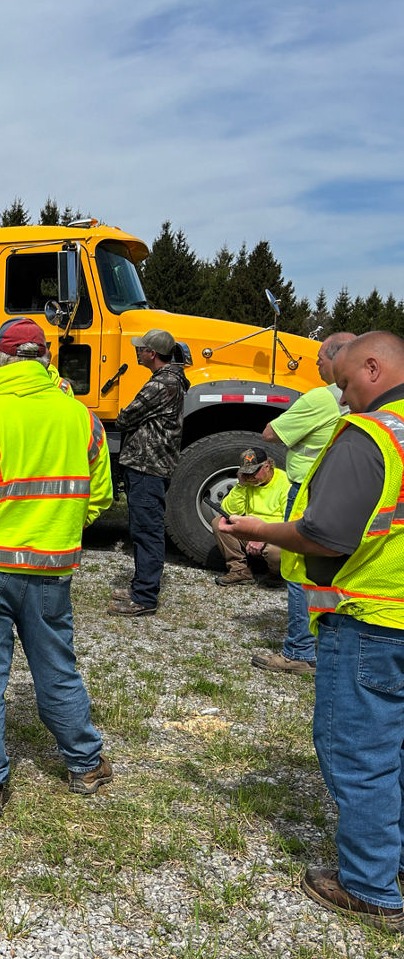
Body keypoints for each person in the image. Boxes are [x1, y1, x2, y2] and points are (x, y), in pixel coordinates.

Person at [221, 330, 404, 932]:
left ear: (374, 368)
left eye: (348, 383)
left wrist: (262, 531)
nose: (345, 399)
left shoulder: (370, 436)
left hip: (370, 620)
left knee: (361, 754)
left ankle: (371, 886)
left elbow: (327, 534)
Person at [0, 318, 113, 819]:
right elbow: (99, 497)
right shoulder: (83, 419)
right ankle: (84, 764)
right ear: (46, 357)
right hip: (52, 570)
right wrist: (59, 527)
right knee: (57, 668)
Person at [253, 331, 355, 675]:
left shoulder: (321, 399)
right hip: (345, 495)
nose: (316, 364)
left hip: (308, 492)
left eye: (320, 359)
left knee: (298, 571)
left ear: (336, 359)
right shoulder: (366, 399)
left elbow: (272, 434)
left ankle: (298, 650)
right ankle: (326, 644)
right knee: (332, 572)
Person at [107, 328, 189, 617]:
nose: (137, 352)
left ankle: (144, 597)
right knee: (143, 529)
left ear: (152, 353)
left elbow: (125, 416)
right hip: (151, 465)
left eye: (141, 348)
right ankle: (141, 586)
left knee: (147, 531)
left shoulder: (159, 385)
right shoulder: (171, 380)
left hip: (147, 466)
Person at [210, 449, 288, 587]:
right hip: (251, 532)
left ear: (267, 466)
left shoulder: (286, 483)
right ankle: (239, 571)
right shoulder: (247, 483)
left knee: (276, 551)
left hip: (275, 534)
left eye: (254, 472)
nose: (250, 477)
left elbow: (290, 521)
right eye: (246, 473)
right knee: (220, 523)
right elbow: (230, 511)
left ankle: (277, 575)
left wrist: (263, 536)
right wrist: (240, 485)